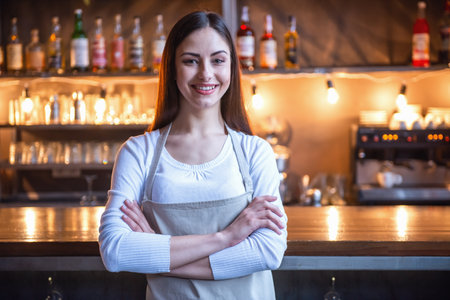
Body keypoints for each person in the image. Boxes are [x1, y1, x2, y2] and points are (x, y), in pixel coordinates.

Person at [98, 10, 287, 300]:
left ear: (232, 69)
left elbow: (268, 252)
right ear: (172, 68)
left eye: (218, 60)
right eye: (191, 61)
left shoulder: (255, 152)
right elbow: (116, 251)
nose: (206, 74)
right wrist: (227, 237)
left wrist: (157, 252)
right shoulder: (139, 152)